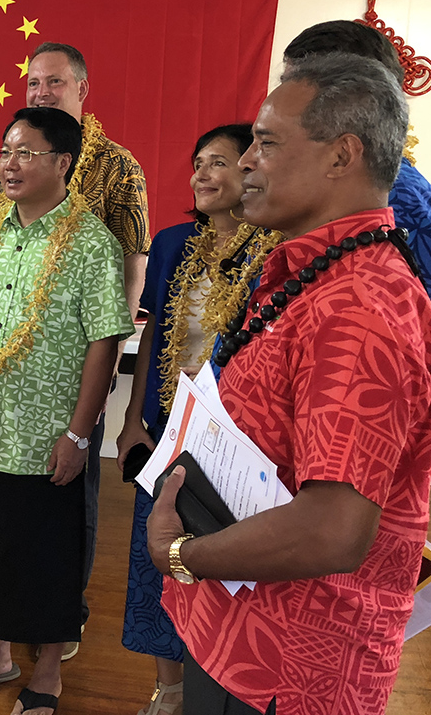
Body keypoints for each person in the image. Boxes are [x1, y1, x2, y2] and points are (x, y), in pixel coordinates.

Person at [149, 53, 431, 715]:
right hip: (239, 632)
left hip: (284, 664)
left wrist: (179, 553)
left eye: (266, 142)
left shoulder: (361, 308)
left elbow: (330, 531)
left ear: (341, 155)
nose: (245, 160)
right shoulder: (309, 273)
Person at [0, 107, 133, 715]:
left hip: (47, 432)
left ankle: (47, 670)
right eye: (5, 152)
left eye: (26, 152)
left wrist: (80, 436)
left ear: (62, 163)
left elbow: (106, 338)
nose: (10, 164)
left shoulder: (92, 243)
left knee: (47, 555)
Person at [0, 41, 152, 654]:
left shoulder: (115, 165)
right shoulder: (3, 161)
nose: (41, 92)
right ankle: (4, 608)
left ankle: (62, 610)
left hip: (78, 357)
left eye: (54, 82)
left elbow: (133, 264)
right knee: (1, 502)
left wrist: (111, 360)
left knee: (65, 493)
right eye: (32, 83)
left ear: (83, 89)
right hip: (3, 367)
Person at [115, 124, 281, 715]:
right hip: (167, 428)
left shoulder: (276, 252)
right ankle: (170, 689)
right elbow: (155, 331)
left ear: (255, 168)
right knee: (155, 560)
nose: (203, 174)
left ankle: (218, 686)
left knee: (216, 564)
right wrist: (134, 420)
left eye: (220, 162)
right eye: (197, 163)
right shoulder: (171, 243)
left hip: (236, 444)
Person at [283, 20, 431, 323]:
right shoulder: (321, 180)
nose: (280, 100)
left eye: (293, 86)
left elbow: (400, 330)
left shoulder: (398, 197)